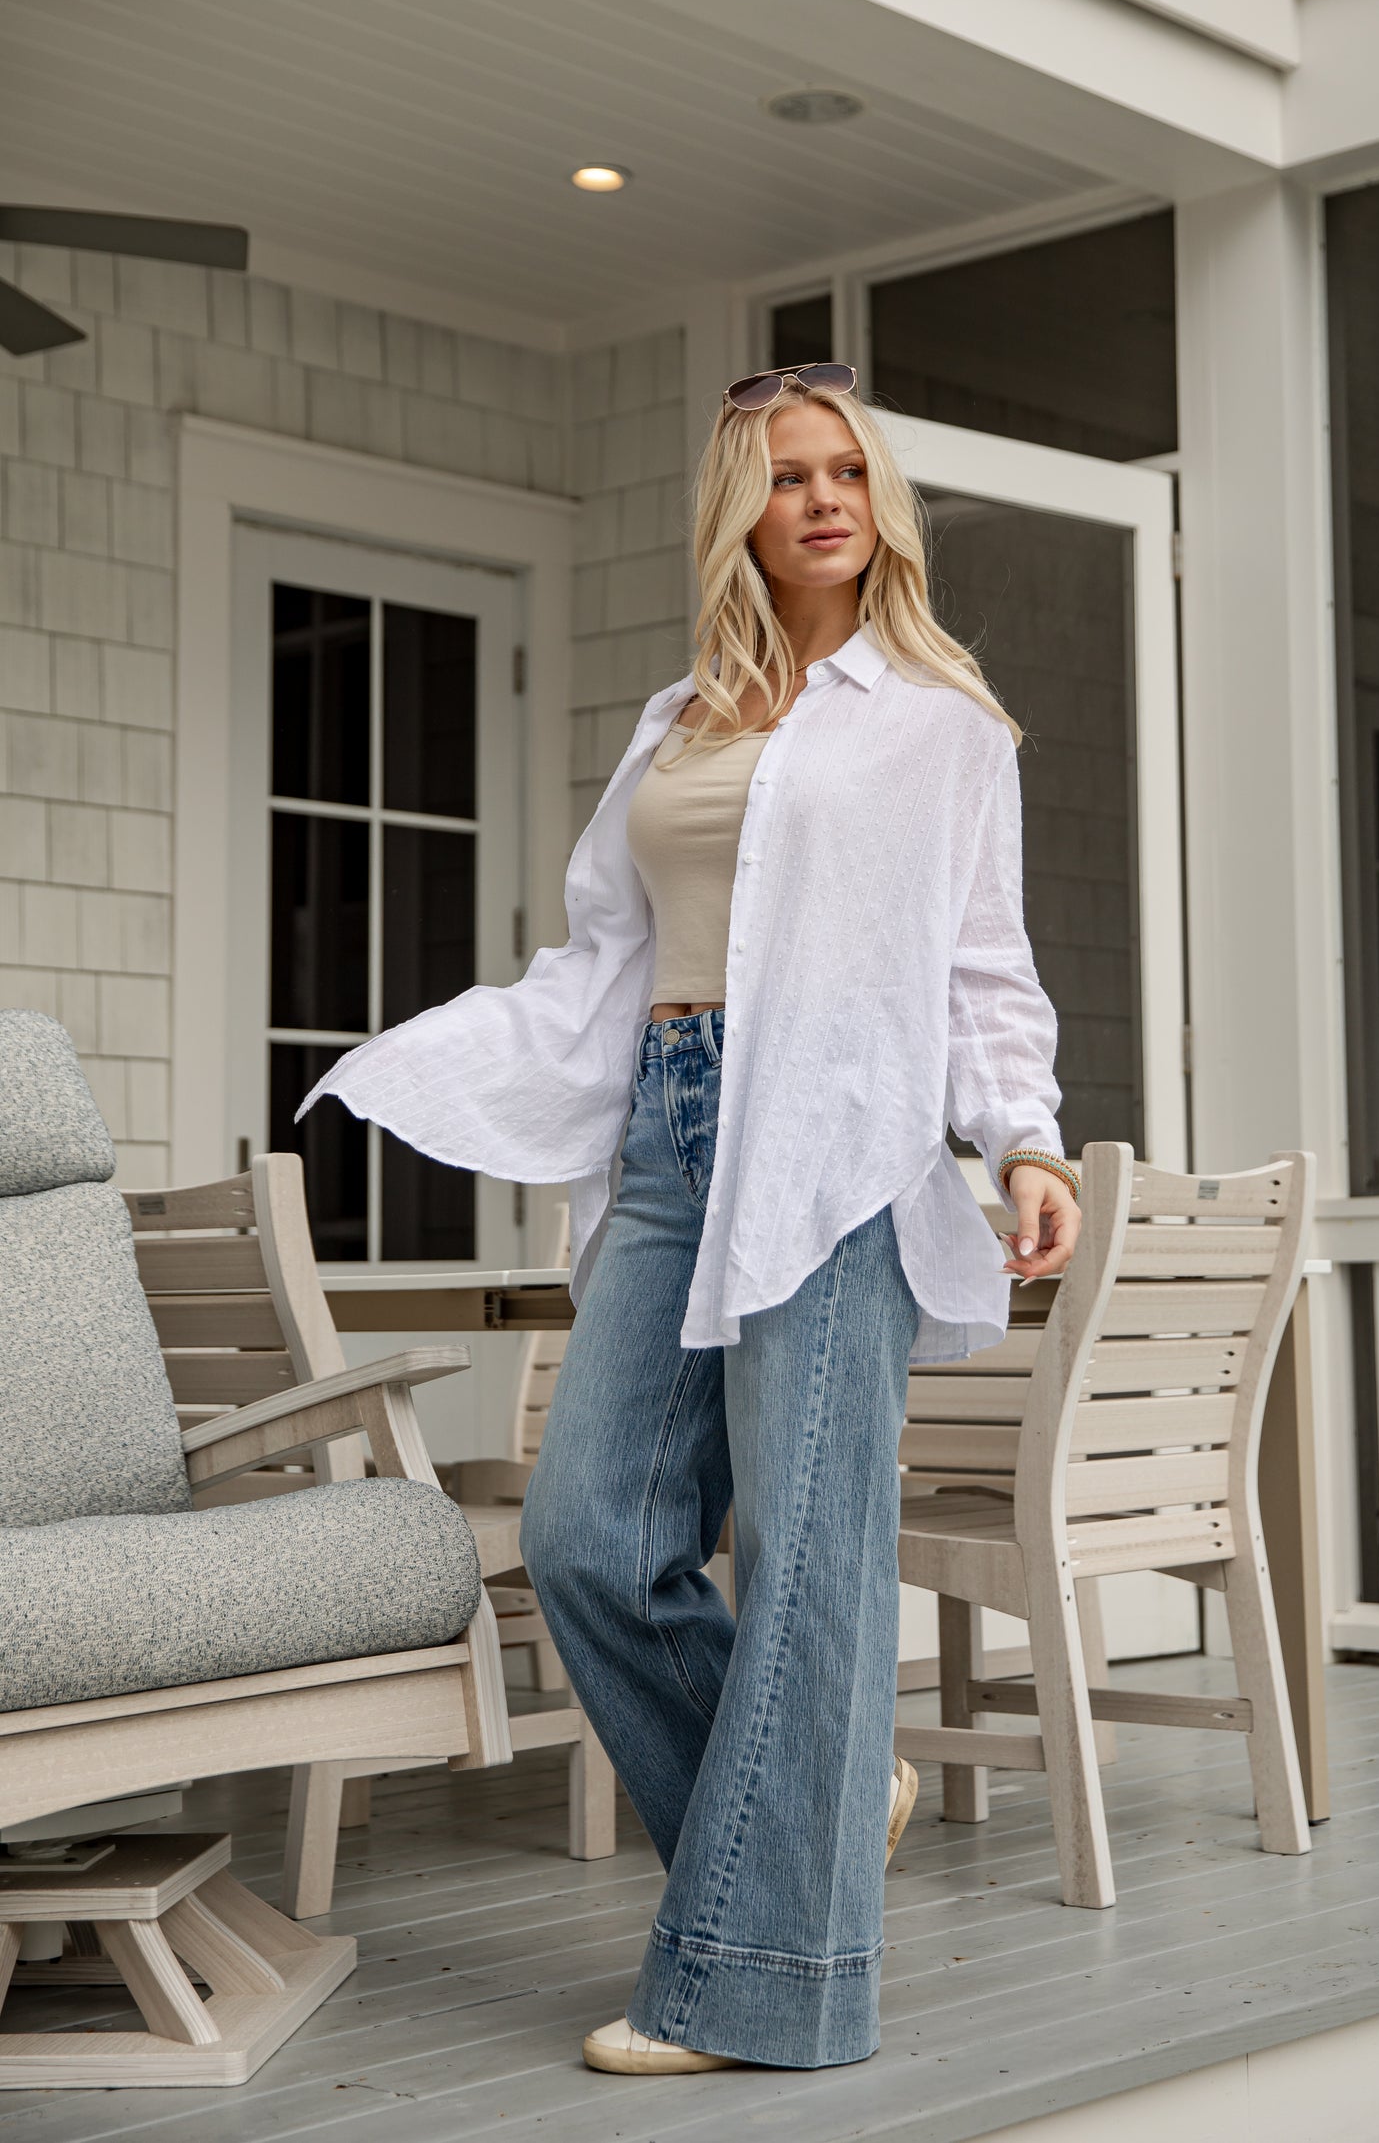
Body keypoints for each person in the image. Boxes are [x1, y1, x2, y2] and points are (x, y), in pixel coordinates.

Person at [299, 360, 1080, 2076]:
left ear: (881, 506)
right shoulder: (680, 718)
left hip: (837, 1142)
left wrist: (1029, 1140)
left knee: (804, 1564)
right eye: (789, 474)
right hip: (673, 1128)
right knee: (589, 1533)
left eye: (848, 473)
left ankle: (766, 1981)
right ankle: (819, 1805)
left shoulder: (940, 723)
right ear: (740, 507)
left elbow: (979, 964)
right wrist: (436, 1053)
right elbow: (603, 951)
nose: (822, 500)